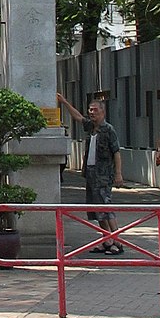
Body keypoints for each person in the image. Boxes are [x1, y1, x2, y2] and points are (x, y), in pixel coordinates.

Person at [58, 92, 124, 254]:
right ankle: (106, 240)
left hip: (103, 175)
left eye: (95, 110)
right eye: (90, 109)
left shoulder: (108, 130)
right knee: (96, 209)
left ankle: (117, 241)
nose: (92, 112)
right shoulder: (91, 127)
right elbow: (78, 117)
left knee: (105, 207)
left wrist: (118, 173)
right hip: (91, 174)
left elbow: (116, 152)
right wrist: (64, 102)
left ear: (103, 112)